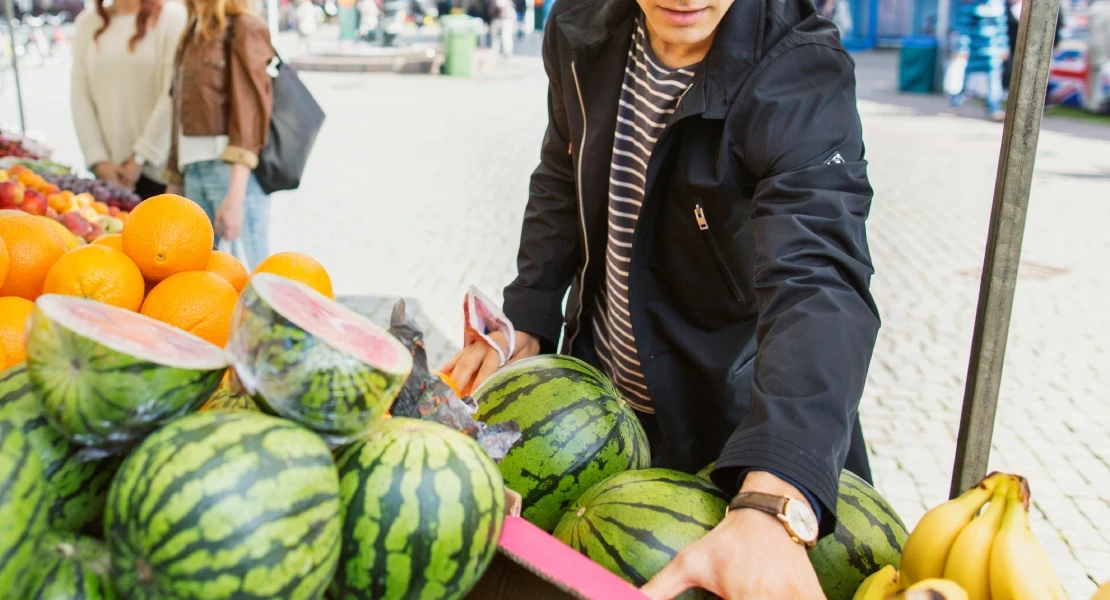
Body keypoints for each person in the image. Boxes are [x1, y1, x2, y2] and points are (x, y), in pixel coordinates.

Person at [442, 0, 879, 594]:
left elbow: (818, 277)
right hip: (596, 420)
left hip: (726, 436)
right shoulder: (577, 26)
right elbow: (561, 170)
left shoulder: (800, 71)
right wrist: (530, 313)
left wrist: (775, 493)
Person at [163, 0, 275, 268]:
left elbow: (249, 112)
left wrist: (236, 196)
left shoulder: (244, 27)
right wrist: (173, 183)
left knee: (250, 276)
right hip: (193, 173)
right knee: (204, 276)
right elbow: (179, 111)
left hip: (230, 172)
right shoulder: (192, 29)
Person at [71, 0, 187, 199]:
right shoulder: (87, 22)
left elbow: (174, 94)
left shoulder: (172, 18)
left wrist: (141, 157)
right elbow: (80, 96)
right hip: (107, 177)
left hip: (159, 173)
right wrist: (98, 159)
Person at [947, 0, 1010, 121]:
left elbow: (1002, 29)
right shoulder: (970, 4)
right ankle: (954, 104)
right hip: (972, 50)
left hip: (992, 50)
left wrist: (1003, 47)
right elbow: (963, 29)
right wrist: (961, 48)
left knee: (994, 81)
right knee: (963, 80)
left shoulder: (997, 5)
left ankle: (994, 109)